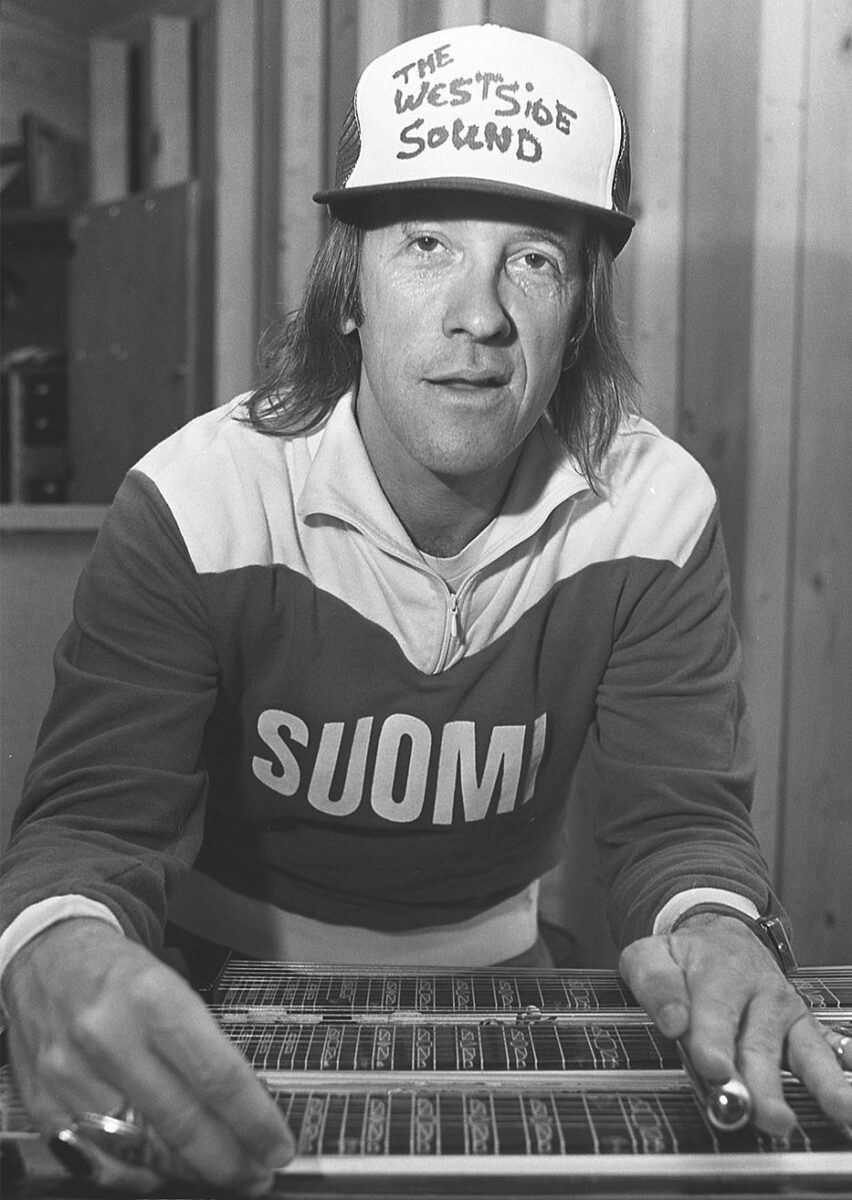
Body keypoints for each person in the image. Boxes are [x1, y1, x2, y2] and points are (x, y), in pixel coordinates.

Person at [1, 23, 849, 1196]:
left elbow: (680, 818)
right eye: (428, 244)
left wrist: (716, 924)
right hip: (211, 985)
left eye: (535, 260)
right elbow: (92, 829)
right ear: (348, 286)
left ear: (579, 310)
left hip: (510, 980)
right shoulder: (194, 501)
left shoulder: (654, 507)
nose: (480, 315)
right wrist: (52, 944)